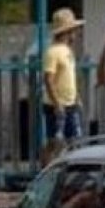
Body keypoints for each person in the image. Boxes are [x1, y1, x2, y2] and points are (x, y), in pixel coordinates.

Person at [43, 8, 85, 144]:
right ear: (67, 32)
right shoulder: (53, 52)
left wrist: (76, 96)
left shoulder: (67, 51)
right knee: (55, 142)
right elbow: (48, 79)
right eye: (73, 30)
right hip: (57, 104)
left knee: (73, 140)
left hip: (69, 103)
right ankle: (47, 165)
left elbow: (69, 78)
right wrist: (56, 103)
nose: (76, 34)